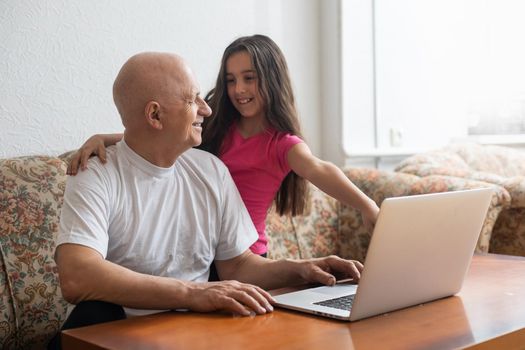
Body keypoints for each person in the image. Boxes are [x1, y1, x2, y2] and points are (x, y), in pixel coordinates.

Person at [51, 51, 363, 348]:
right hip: (118, 330)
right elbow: (78, 276)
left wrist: (303, 270)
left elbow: (238, 266)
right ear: (155, 115)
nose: (207, 108)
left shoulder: (210, 169)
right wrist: (193, 293)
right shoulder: (96, 172)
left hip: (198, 329)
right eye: (192, 99)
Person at [66, 34, 379, 258]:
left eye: (249, 78)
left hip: (245, 255)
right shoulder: (217, 125)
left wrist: (368, 206)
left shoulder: (282, 145)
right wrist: (106, 138)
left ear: (271, 80)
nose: (238, 90)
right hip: (203, 249)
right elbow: (161, 135)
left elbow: (321, 170)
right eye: (230, 80)